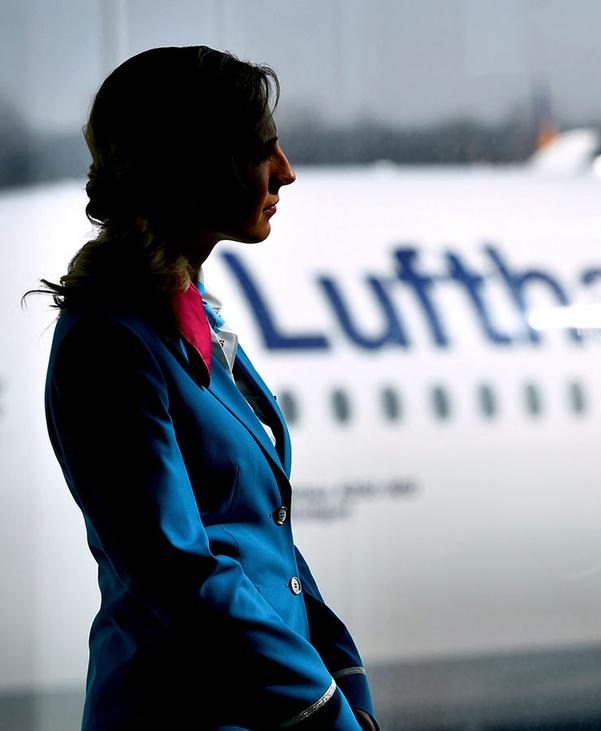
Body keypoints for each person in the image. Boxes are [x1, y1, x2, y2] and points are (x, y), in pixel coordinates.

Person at [32, 47, 378, 730]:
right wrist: (324, 710)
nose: (286, 170)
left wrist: (344, 679)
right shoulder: (110, 344)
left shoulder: (184, 313)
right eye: (260, 149)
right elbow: (179, 572)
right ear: (194, 167)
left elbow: (262, 535)